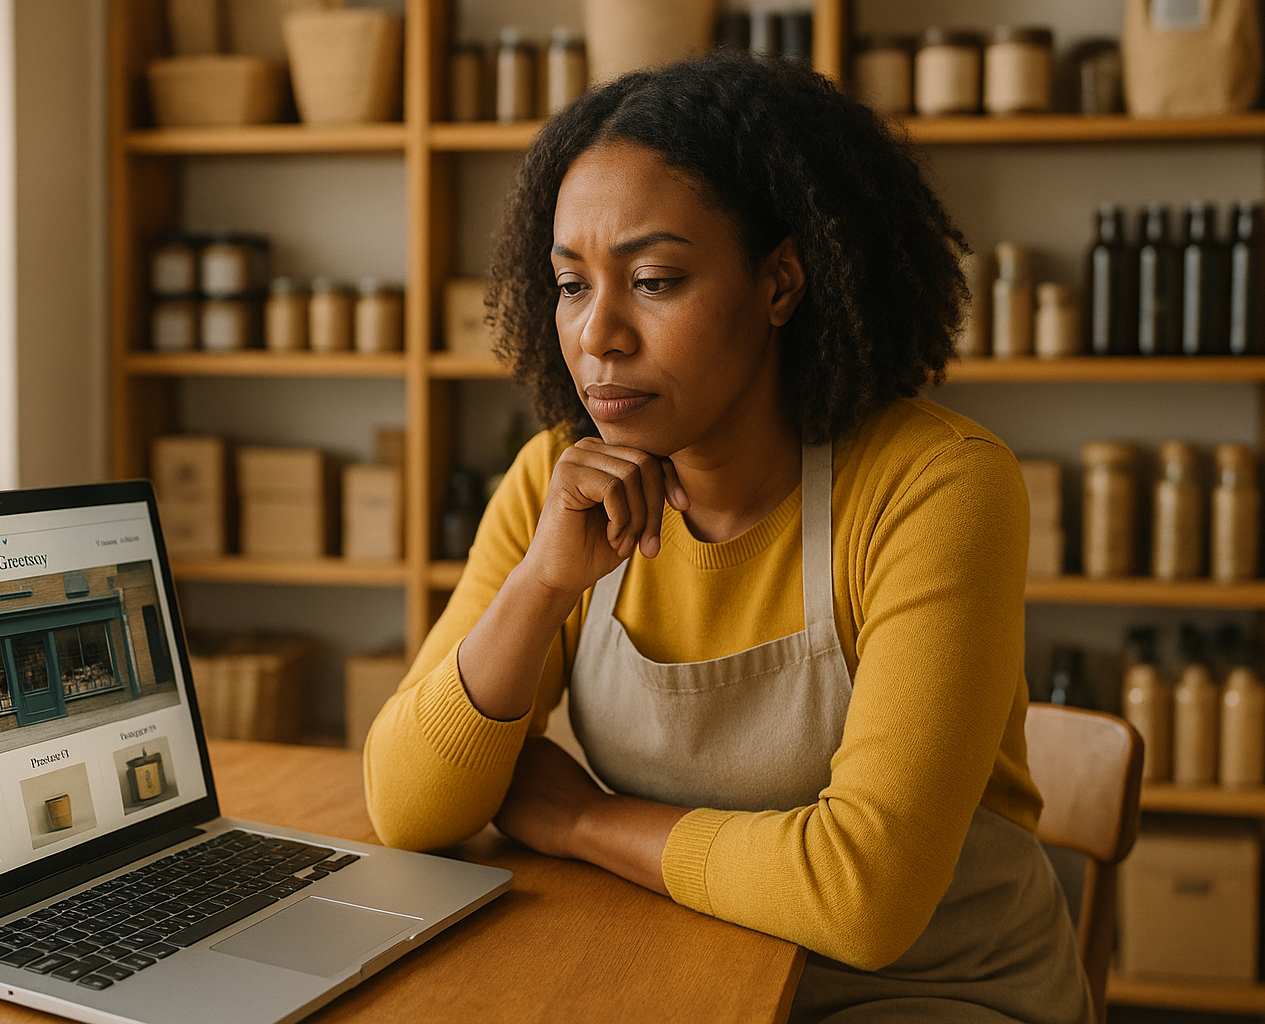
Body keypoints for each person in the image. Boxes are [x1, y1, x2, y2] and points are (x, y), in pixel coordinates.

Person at [363, 51, 1093, 1023]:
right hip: (690, 969)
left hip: (935, 993)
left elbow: (862, 895)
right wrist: (541, 584)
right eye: (572, 284)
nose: (598, 335)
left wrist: (583, 818)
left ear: (781, 281)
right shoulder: (557, 481)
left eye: (654, 280)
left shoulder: (936, 488)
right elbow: (407, 809)